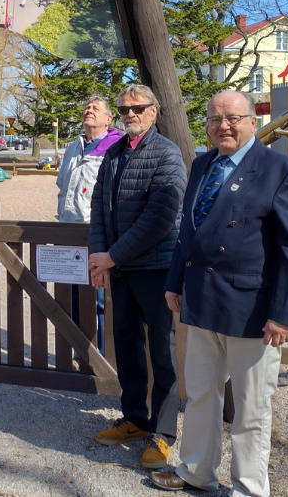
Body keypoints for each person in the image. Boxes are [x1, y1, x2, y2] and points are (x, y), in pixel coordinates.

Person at [152, 90, 288, 497]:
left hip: (253, 311)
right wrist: (175, 282)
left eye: (233, 118)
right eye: (214, 119)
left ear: (252, 121)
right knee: (201, 396)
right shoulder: (203, 163)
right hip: (202, 303)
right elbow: (186, 232)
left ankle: (248, 488)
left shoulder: (280, 170)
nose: (223, 126)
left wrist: (284, 314)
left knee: (251, 408)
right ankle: (196, 472)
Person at [88, 84, 186, 470]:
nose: (129, 114)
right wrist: (100, 256)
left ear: (153, 111)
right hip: (121, 268)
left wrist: (111, 256)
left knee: (161, 351)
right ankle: (134, 418)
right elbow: (99, 206)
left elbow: (159, 220)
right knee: (126, 345)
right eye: (124, 109)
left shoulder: (167, 154)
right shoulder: (113, 154)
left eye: (137, 108)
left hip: (155, 268)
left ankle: (163, 432)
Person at [55, 95, 123, 354]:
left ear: (108, 119)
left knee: (99, 298)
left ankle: (103, 355)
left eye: (95, 108)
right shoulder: (74, 146)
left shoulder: (115, 148)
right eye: (86, 107)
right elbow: (63, 185)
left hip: (96, 234)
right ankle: (77, 349)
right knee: (72, 293)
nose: (89, 111)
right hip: (68, 230)